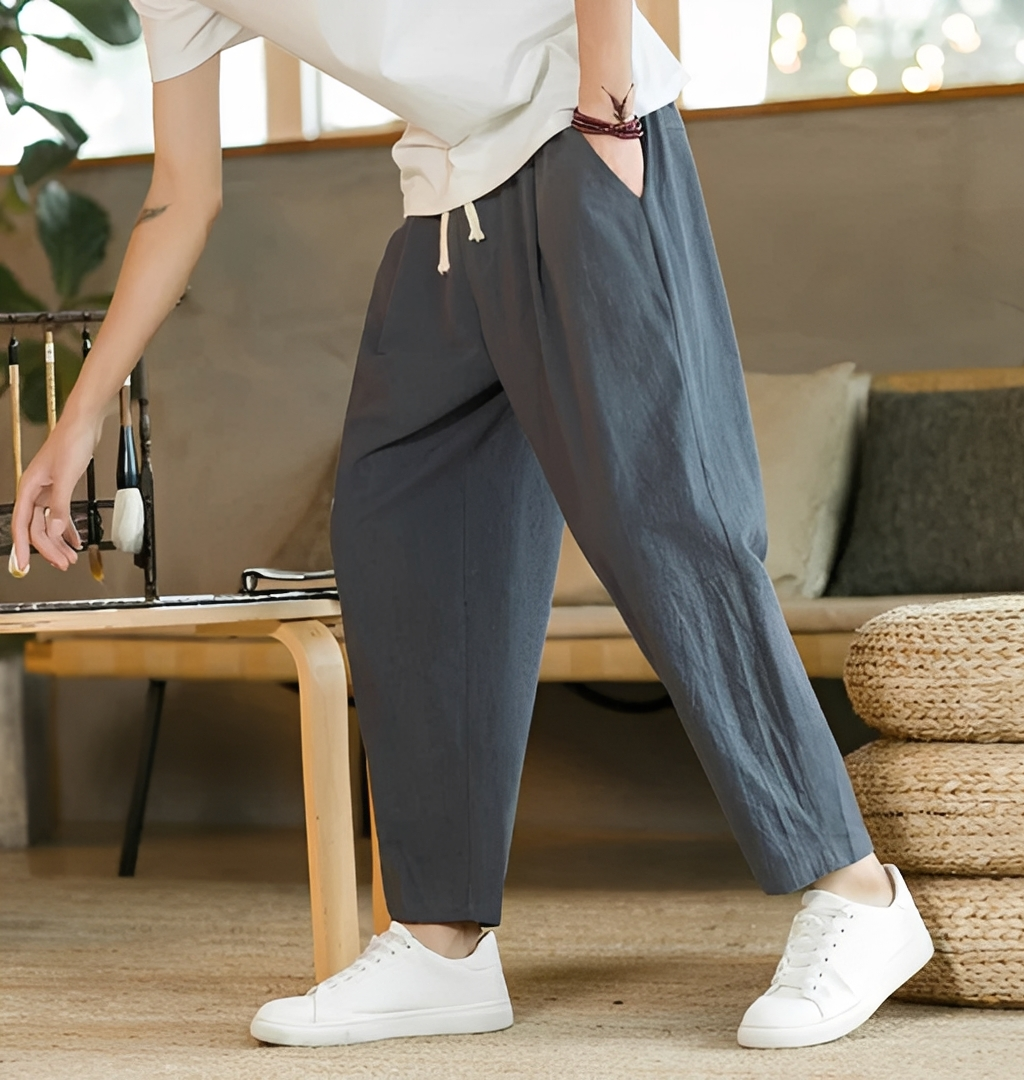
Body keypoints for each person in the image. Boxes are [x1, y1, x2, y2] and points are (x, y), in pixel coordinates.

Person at [11, 0, 934, 1051]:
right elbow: (181, 195)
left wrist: (610, 112)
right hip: (448, 200)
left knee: (663, 515)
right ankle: (444, 943)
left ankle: (857, 893)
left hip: (579, 134)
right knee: (403, 528)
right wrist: (78, 419)